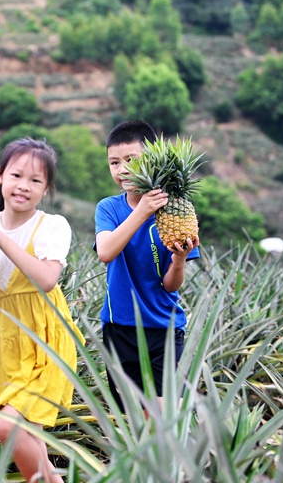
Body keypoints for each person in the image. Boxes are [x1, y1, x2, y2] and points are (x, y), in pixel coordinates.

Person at [0, 138, 83, 483]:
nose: (24, 186)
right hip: (5, 342)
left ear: (46, 187)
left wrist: (2, 240)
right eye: (17, 175)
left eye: (36, 181)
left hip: (45, 339)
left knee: (9, 427)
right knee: (27, 437)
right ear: (0, 176)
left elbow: (48, 279)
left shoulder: (51, 226)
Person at [94, 120, 200, 411]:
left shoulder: (175, 210)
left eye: (132, 160)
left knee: (167, 412)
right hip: (120, 327)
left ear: (153, 159)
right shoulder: (109, 208)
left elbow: (171, 284)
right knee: (132, 413)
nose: (122, 169)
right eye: (114, 162)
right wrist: (141, 212)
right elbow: (105, 251)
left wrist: (179, 258)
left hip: (164, 327)